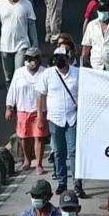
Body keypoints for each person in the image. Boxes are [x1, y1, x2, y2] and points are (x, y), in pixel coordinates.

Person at [37, 48, 85, 197]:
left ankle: (77, 183)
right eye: (56, 57)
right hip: (55, 118)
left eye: (62, 57)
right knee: (59, 151)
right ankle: (62, 182)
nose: (59, 60)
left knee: (74, 151)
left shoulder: (78, 73)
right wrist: (40, 116)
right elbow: (41, 95)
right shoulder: (48, 74)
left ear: (68, 58)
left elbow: (84, 93)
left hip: (73, 117)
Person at [5, 48, 48, 173]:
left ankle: (39, 164)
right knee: (25, 137)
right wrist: (9, 107)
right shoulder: (19, 73)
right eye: (29, 59)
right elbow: (12, 91)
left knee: (39, 137)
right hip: (23, 110)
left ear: (38, 59)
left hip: (39, 111)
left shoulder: (45, 72)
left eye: (34, 58)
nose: (32, 61)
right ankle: (27, 159)